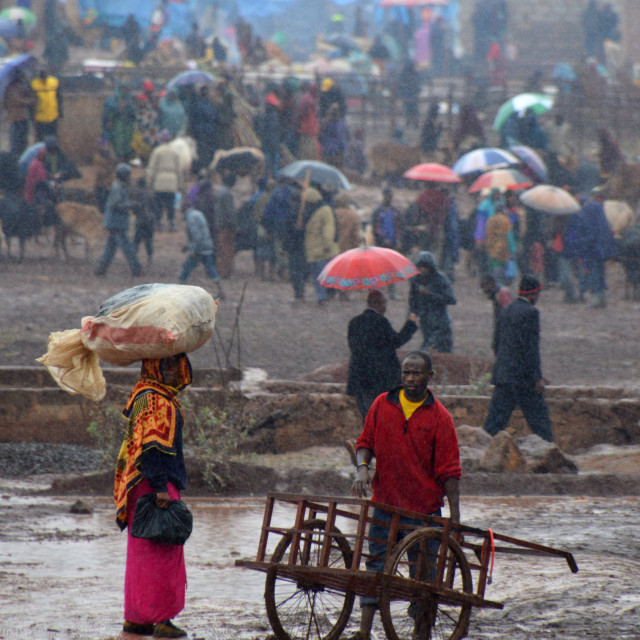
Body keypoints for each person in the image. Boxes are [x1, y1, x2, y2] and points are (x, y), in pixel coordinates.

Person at [351, 350, 461, 640]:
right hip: (385, 504)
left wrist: (456, 519)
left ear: (429, 377)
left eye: (416, 373)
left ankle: (419, 634)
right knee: (375, 566)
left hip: (423, 513)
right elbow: (365, 442)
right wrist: (362, 468)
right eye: (406, 373)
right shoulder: (381, 404)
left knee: (422, 579)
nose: (410, 378)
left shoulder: (440, 417)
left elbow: (450, 472)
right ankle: (363, 631)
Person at [114, 354, 192, 637]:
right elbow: (152, 447)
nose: (173, 371)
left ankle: (136, 618)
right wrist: (161, 487)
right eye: (167, 365)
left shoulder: (144, 395)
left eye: (175, 365)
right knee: (164, 552)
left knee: (142, 553)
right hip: (154, 487)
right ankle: (160, 619)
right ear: (154, 366)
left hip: (142, 486)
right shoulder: (154, 399)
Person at [483, 275, 553, 442]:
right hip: (524, 378)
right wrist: (537, 377)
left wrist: (504, 364)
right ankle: (549, 451)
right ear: (534, 294)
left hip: (503, 375)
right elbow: (531, 348)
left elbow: (495, 342)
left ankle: (481, 451)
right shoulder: (531, 312)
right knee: (539, 421)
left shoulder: (506, 310)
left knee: (494, 422)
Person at [347, 289, 418, 421]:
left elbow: (354, 347)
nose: (385, 307)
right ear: (379, 304)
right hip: (379, 379)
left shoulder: (354, 323)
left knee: (367, 416)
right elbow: (396, 341)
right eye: (384, 303)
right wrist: (410, 324)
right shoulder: (381, 322)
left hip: (359, 378)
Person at [95, 163, 142, 277]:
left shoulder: (118, 185)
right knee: (127, 247)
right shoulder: (118, 187)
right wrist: (132, 204)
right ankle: (136, 268)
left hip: (114, 222)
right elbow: (116, 205)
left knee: (110, 248)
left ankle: (100, 270)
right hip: (117, 223)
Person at [408, 251, 456, 353]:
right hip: (425, 320)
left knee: (440, 349)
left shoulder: (440, 279)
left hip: (440, 321)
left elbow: (451, 299)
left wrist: (430, 294)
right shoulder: (416, 280)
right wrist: (412, 317)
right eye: (420, 267)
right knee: (428, 346)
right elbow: (413, 301)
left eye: (425, 267)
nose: (423, 270)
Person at [178, 200, 225, 299]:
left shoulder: (191, 217)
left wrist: (194, 249)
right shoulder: (197, 213)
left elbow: (196, 235)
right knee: (210, 268)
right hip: (206, 245)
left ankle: (179, 290)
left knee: (187, 268)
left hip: (200, 247)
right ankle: (221, 290)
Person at [303, 187, 339, 305]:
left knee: (322, 276)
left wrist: (327, 244)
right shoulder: (310, 211)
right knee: (317, 276)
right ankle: (322, 296)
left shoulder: (324, 210)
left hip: (323, 250)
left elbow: (328, 228)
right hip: (313, 250)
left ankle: (323, 296)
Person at [147, 129, 183, 232]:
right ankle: (171, 223)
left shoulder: (157, 151)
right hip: (172, 183)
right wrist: (180, 184)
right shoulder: (175, 152)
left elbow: (151, 169)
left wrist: (149, 183)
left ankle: (158, 222)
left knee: (158, 204)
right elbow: (179, 169)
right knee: (171, 204)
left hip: (159, 182)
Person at [3, 69, 35, 158]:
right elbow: (17, 100)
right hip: (16, 118)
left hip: (23, 117)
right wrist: (30, 101)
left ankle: (21, 156)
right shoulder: (12, 88)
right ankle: (15, 158)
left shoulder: (21, 86)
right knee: (16, 142)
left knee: (23, 140)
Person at [480, 273, 513, 353]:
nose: (484, 290)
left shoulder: (501, 293)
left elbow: (508, 312)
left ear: (491, 283)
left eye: (484, 287)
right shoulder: (497, 293)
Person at [213, 172, 238, 279]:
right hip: (226, 226)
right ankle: (225, 273)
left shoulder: (220, 192)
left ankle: (221, 271)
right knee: (227, 250)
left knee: (222, 249)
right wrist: (234, 225)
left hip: (220, 224)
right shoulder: (227, 194)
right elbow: (229, 212)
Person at [254, 93, 282, 179]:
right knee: (274, 168)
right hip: (274, 145)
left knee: (266, 167)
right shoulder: (275, 117)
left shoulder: (262, 116)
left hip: (267, 145)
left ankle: (266, 182)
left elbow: (258, 129)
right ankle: (275, 181)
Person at [31, 69, 61, 141]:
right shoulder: (33, 84)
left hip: (53, 115)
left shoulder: (54, 82)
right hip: (40, 117)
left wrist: (60, 112)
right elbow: (31, 100)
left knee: (53, 137)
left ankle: (52, 151)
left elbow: (59, 97)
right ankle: (42, 151)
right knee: (41, 138)